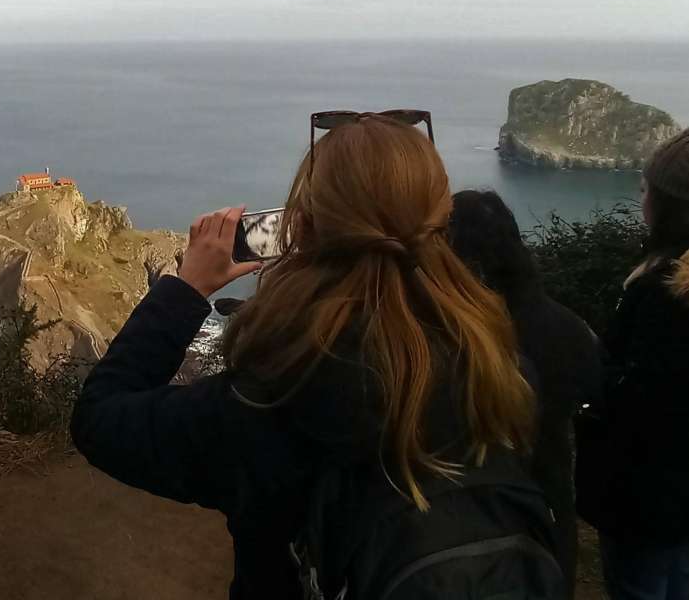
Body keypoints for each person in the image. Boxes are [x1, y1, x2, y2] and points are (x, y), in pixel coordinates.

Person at [71, 114, 561, 599]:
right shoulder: (503, 371)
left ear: (301, 229)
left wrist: (185, 289)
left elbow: (100, 417)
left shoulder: (267, 405)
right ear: (440, 221)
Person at [449, 189, 602, 597]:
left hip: (469, 525)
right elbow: (592, 402)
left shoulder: (453, 340)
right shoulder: (569, 327)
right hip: (549, 512)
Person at [578, 128, 689, 600]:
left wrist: (593, 368)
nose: (640, 196)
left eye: (646, 189)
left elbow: (643, 404)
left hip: (649, 500)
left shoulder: (663, 295)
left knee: (640, 587)